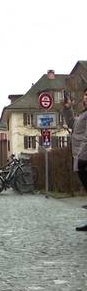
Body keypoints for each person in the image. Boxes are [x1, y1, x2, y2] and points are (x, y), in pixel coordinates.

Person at [63, 87, 87, 231]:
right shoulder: (83, 115)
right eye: (85, 95)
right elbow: (72, 124)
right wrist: (67, 109)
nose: (86, 97)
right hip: (80, 155)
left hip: (84, 156)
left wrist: (81, 156)